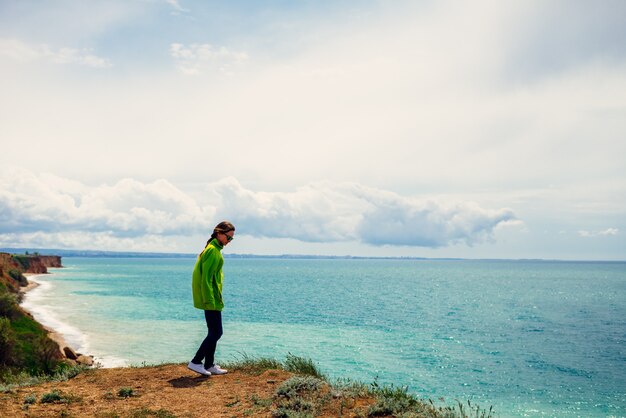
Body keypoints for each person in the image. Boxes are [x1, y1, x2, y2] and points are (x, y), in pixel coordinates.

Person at [187, 221, 235, 376]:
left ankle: (209, 364)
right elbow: (205, 279)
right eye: (228, 237)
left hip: (213, 298)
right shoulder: (212, 251)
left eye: (231, 239)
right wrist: (209, 300)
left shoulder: (214, 249)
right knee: (216, 333)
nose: (229, 241)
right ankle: (196, 361)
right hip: (211, 299)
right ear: (219, 233)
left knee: (213, 332)